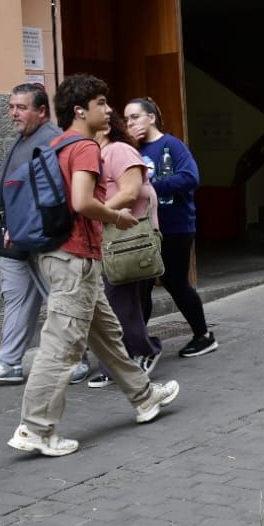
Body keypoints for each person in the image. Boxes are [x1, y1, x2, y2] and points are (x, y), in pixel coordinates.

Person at [8, 74, 180, 457]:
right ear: (80, 110)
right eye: (102, 103)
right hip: (74, 258)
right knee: (61, 347)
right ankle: (36, 429)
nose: (109, 110)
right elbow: (83, 201)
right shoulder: (84, 147)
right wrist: (116, 218)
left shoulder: (56, 144)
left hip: (65, 256)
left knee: (107, 334)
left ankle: (144, 396)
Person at [0, 83, 89, 386]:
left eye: (21, 107)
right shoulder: (24, 139)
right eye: (10, 107)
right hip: (16, 239)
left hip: (38, 240)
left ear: (42, 111)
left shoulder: (50, 140)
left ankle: (78, 361)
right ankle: (8, 363)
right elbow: (25, 188)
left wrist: (26, 228)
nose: (13, 113)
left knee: (60, 302)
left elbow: (52, 194)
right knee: (17, 300)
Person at [125, 99, 216, 358]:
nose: (130, 123)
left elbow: (190, 177)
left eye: (135, 117)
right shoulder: (131, 149)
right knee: (141, 285)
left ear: (151, 117)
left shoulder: (171, 145)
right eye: (127, 119)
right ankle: (138, 346)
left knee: (175, 283)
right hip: (143, 229)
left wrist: (151, 188)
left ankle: (204, 335)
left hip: (175, 227)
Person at [86, 119, 161, 388]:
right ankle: (115, 363)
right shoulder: (94, 155)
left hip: (125, 240)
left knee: (120, 302)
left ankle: (146, 350)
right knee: (112, 303)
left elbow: (131, 193)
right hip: (106, 239)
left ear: (104, 129)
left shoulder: (118, 150)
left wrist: (92, 212)